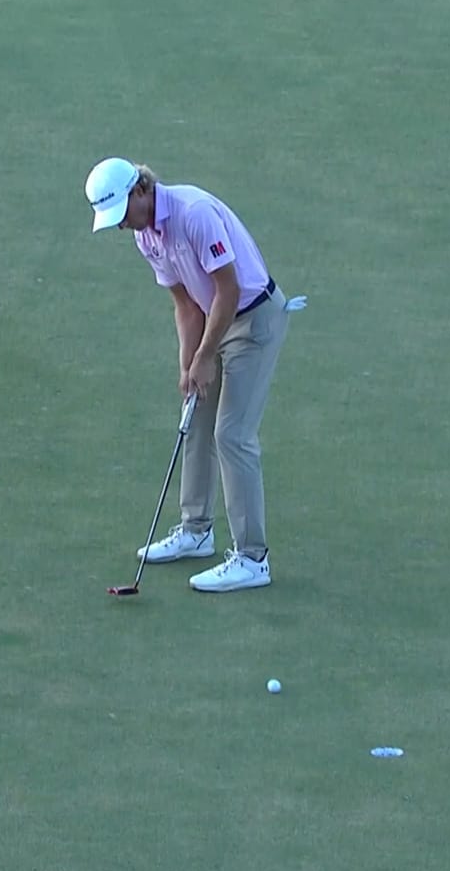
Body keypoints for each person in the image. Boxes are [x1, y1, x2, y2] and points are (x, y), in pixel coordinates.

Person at [85, 157, 299, 592]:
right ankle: (195, 529)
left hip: (254, 320)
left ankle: (252, 558)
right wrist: (189, 364)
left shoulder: (193, 214)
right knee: (196, 417)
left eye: (123, 213)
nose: (122, 225)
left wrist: (205, 354)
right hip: (214, 319)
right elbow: (184, 305)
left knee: (232, 434)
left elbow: (229, 289)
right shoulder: (146, 237)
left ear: (140, 191)